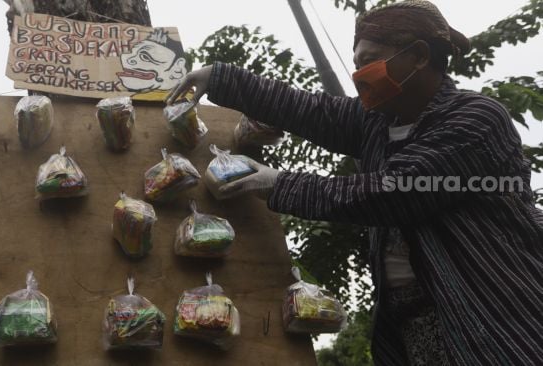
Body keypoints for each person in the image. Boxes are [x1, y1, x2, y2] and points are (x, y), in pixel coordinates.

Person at [166, 1, 543, 365]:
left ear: (419, 56)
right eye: (356, 63)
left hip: (494, 316)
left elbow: (397, 191)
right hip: (417, 324)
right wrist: (221, 78)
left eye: (369, 61)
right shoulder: (380, 123)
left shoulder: (475, 118)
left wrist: (279, 184)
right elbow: (308, 109)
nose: (360, 74)